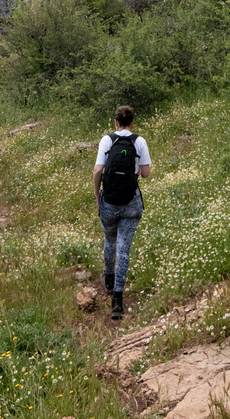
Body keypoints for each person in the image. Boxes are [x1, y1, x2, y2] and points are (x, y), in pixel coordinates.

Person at [93, 105, 151, 319]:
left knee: (110, 241)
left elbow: (98, 170)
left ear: (115, 122)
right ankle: (117, 301)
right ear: (132, 122)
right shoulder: (139, 141)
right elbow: (145, 174)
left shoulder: (107, 140)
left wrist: (97, 197)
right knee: (123, 249)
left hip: (108, 201)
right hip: (131, 203)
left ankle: (108, 277)